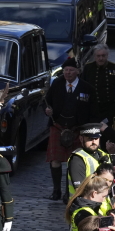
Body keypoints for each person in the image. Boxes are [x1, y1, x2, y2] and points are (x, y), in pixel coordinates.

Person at [45, 58, 91, 201]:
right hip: (58, 126)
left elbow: (93, 109)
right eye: (66, 70)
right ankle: (56, 191)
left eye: (71, 70)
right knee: (55, 160)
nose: (68, 73)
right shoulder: (57, 84)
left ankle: (68, 193)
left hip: (77, 129)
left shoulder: (87, 88)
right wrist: (47, 110)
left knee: (73, 161)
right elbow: (47, 102)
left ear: (77, 71)